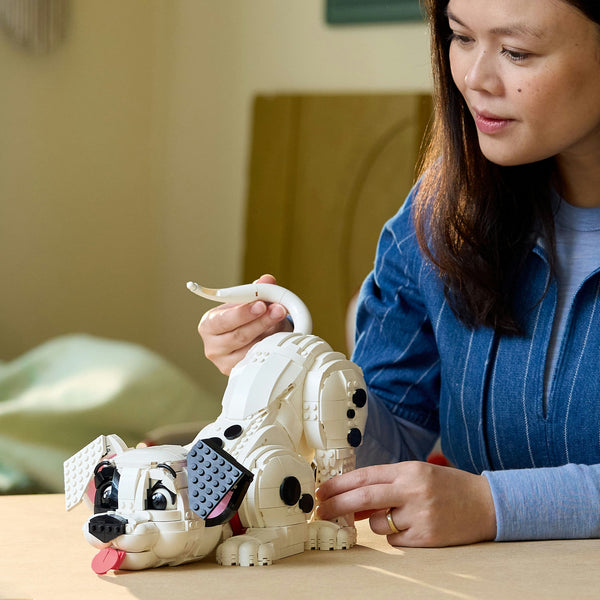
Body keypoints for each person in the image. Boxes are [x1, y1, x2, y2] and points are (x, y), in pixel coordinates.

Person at [198, 0, 600, 548]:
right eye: (461, 37)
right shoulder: (440, 216)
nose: (475, 79)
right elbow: (385, 448)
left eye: (516, 51)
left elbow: (481, 504)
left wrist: (493, 506)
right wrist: (293, 372)